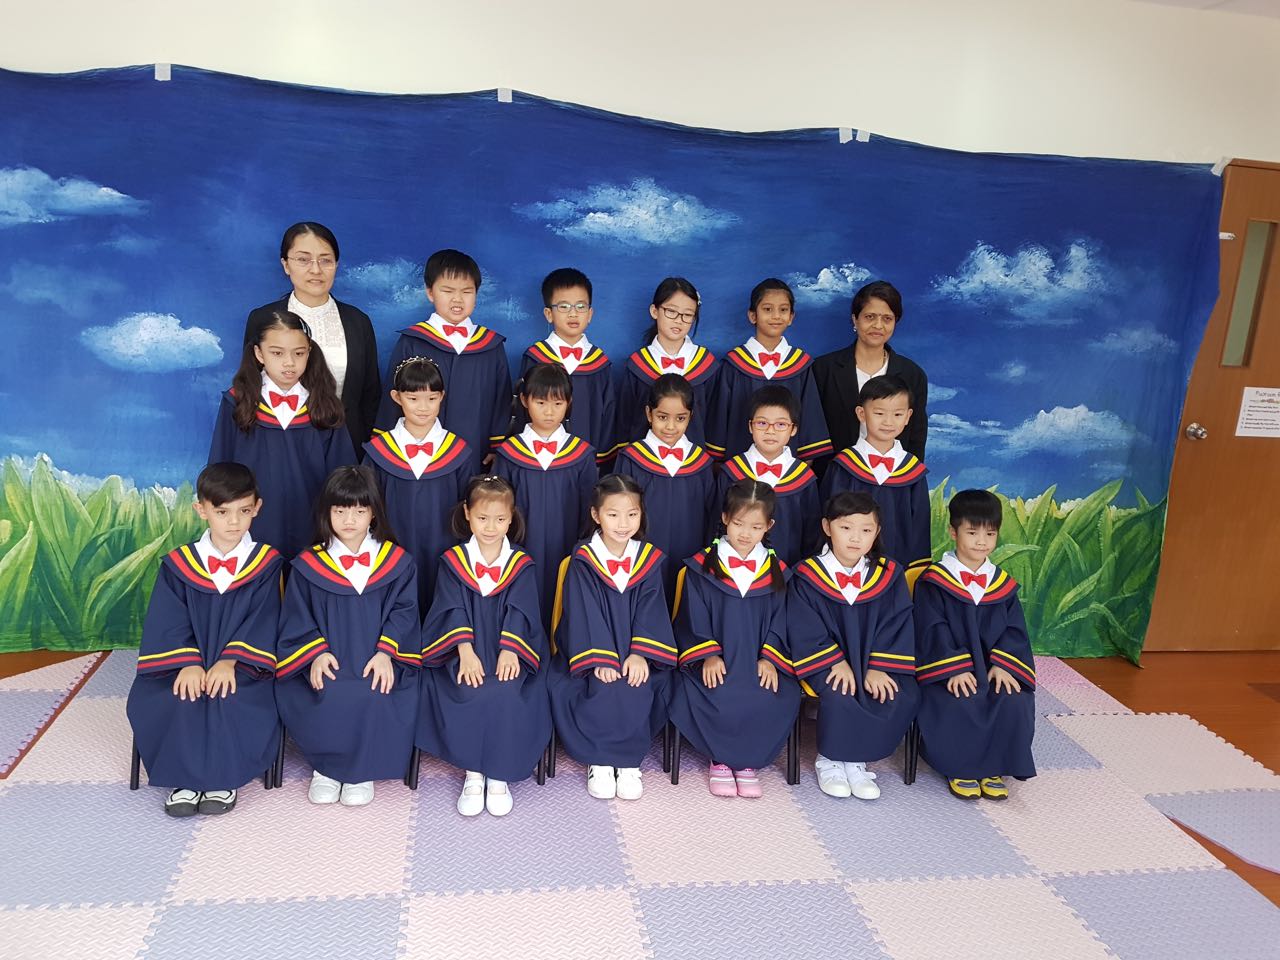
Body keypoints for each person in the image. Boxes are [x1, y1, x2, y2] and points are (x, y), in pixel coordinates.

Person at [126, 463, 283, 817]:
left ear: (257, 507)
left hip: (243, 667)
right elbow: (167, 621)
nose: (234, 522)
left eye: (244, 511)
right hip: (183, 663)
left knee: (229, 697)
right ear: (201, 510)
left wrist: (229, 661)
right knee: (180, 696)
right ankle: (183, 780)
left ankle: (222, 779)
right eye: (222, 512)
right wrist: (188, 663)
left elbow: (264, 619)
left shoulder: (266, 564)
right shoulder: (179, 565)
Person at [275, 466, 421, 807]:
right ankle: (325, 769)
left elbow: (405, 611)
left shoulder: (397, 562)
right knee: (330, 688)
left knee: (373, 690)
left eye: (358, 510)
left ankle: (362, 769)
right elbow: (297, 615)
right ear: (327, 513)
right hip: (330, 657)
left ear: (373, 513)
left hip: (378, 657)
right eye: (340, 511)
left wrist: (386, 653)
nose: (349, 520)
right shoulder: (308, 565)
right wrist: (315, 653)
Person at [417, 475, 551, 817]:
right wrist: (464, 651)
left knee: (507, 691)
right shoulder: (452, 561)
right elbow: (450, 608)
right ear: (467, 513)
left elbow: (523, 611)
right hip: (463, 651)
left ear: (512, 517)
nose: (491, 527)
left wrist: (511, 649)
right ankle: (474, 774)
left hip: (510, 651)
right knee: (468, 688)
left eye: (500, 519)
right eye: (482, 518)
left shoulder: (521, 563)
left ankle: (499, 774)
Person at [669, 479, 801, 798]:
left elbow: (782, 619)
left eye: (755, 527)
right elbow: (692, 617)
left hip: (758, 660)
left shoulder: (777, 571)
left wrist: (770, 658)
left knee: (768, 694)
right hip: (716, 659)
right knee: (717, 690)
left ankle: (747, 763)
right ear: (725, 518)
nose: (745, 533)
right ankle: (720, 760)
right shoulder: (701, 567)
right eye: (739, 523)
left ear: (769, 526)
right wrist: (708, 654)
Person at [549, 474, 677, 801]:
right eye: (613, 514)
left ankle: (629, 761)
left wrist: (640, 653)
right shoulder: (583, 560)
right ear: (596, 515)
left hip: (635, 651)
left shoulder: (648, 559)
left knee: (637, 682)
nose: (623, 523)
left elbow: (652, 609)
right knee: (604, 684)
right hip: (591, 652)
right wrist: (600, 658)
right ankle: (600, 760)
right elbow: (582, 612)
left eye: (632, 514)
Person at [788, 492, 918, 800]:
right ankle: (830, 760)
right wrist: (834, 660)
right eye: (846, 528)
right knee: (840, 690)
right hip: (825, 661)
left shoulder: (889, 575)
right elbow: (803, 626)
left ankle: (857, 761)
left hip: (875, 659)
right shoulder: (806, 575)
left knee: (898, 692)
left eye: (866, 530)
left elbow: (897, 622)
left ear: (877, 532)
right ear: (827, 527)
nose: (856, 538)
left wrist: (878, 666)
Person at [913, 490, 1036, 801]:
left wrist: (1004, 665)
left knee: (1012, 698)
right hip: (948, 670)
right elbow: (931, 628)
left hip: (992, 667)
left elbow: (1014, 630)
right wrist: (953, 668)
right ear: (953, 532)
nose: (982, 541)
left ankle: (994, 767)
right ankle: (961, 767)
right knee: (961, 698)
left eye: (990, 533)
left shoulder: (1001, 584)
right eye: (972, 532)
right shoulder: (934, 581)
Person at [208, 310, 355, 556]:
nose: (289, 363)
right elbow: (219, 468)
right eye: (277, 353)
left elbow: (343, 474)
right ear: (259, 354)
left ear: (309, 352)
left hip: (312, 522)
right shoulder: (237, 403)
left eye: (299, 353)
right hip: (252, 524)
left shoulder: (325, 406)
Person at [243, 222, 382, 451]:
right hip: (279, 447)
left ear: (336, 264)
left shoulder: (358, 322)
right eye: (303, 259)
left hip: (346, 448)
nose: (316, 270)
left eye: (325, 260)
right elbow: (250, 384)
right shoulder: (262, 319)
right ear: (285, 264)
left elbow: (371, 395)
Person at [376, 249, 513, 464]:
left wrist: (496, 445)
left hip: (475, 448)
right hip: (418, 451)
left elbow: (501, 401)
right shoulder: (413, 341)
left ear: (476, 295)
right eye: (447, 291)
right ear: (430, 292)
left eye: (467, 291)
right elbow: (391, 400)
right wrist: (384, 443)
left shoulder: (491, 346)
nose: (457, 299)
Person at [491, 364, 597, 627]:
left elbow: (590, 511)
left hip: (568, 545)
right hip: (521, 546)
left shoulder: (581, 455)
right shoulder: (509, 453)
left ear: (569, 403)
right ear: (524, 400)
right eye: (540, 402)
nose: (549, 412)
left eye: (558, 403)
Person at [363, 356, 471, 608]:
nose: (423, 407)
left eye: (432, 398)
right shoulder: (378, 452)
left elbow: (469, 508)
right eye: (413, 398)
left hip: (444, 548)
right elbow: (367, 506)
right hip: (391, 548)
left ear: (442, 396)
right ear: (396, 397)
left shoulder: (458, 451)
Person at [613, 374, 717, 602]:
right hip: (641, 555)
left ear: (691, 417)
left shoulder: (700, 463)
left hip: (690, 552)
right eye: (662, 417)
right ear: (649, 414)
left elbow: (710, 517)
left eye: (680, 418)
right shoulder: (631, 459)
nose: (670, 426)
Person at [705, 278, 831, 463]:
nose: (776, 316)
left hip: (788, 469)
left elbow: (809, 427)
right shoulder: (732, 366)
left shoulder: (801, 367)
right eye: (767, 309)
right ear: (752, 316)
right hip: (739, 469)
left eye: (783, 310)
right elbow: (719, 426)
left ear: (791, 317)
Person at [821, 375, 931, 572]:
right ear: (861, 414)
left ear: (908, 416)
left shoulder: (913, 472)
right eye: (879, 413)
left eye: (897, 414)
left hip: (898, 568)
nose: (888, 422)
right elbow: (829, 518)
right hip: (845, 568)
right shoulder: (844, 465)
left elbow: (920, 530)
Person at [812, 280, 929, 462]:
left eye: (887, 319)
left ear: (895, 322)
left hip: (893, 474)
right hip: (833, 473)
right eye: (870, 317)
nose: (878, 325)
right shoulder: (823, 369)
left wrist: (910, 476)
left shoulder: (913, 375)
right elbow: (811, 431)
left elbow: (916, 439)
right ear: (855, 319)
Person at [516, 268, 616, 464]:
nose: (573, 313)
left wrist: (602, 460)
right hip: (537, 459)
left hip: (588, 458)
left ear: (590, 314)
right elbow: (521, 411)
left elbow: (608, 414)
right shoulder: (535, 358)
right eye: (563, 306)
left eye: (580, 306)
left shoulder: (599, 363)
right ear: (549, 314)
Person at [715, 385, 820, 566]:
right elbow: (715, 524)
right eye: (762, 423)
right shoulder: (731, 471)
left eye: (781, 424)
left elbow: (811, 534)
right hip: (731, 568)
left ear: (793, 429)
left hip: (789, 567)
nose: (770, 431)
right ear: (750, 426)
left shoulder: (803, 478)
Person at [616, 278, 718, 449]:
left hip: (693, 459)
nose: (679, 320)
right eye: (671, 311)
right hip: (643, 458)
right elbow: (625, 420)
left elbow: (713, 420)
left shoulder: (706, 365)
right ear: (654, 311)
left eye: (687, 315)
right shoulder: (637, 365)